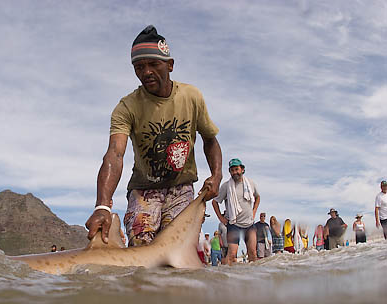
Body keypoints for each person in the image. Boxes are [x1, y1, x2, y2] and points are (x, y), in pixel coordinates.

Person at [85, 25, 223, 248]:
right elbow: (115, 154)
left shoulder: (191, 97)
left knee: (177, 250)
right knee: (141, 246)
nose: (146, 71)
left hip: (182, 186)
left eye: (153, 64)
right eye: (139, 67)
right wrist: (102, 205)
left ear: (170, 65)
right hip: (144, 188)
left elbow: (210, 140)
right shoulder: (126, 107)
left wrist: (216, 176)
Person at [212, 158, 260, 265]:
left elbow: (257, 197)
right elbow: (215, 202)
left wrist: (254, 211)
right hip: (234, 224)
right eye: (232, 170)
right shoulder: (225, 186)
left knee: (253, 253)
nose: (234, 172)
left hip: (249, 224)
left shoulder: (251, 183)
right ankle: (231, 279)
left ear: (242, 169)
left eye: (236, 169)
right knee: (232, 255)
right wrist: (221, 218)